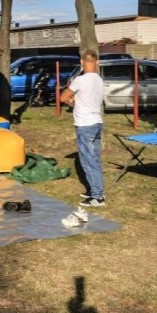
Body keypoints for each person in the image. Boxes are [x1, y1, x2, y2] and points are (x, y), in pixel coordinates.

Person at [59, 50, 106, 207]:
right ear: (97, 62)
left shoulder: (79, 80)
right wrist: (75, 101)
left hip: (85, 124)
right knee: (95, 158)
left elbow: (62, 97)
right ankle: (95, 190)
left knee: (88, 160)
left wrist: (71, 100)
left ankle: (98, 197)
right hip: (97, 122)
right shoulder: (99, 80)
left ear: (81, 62)